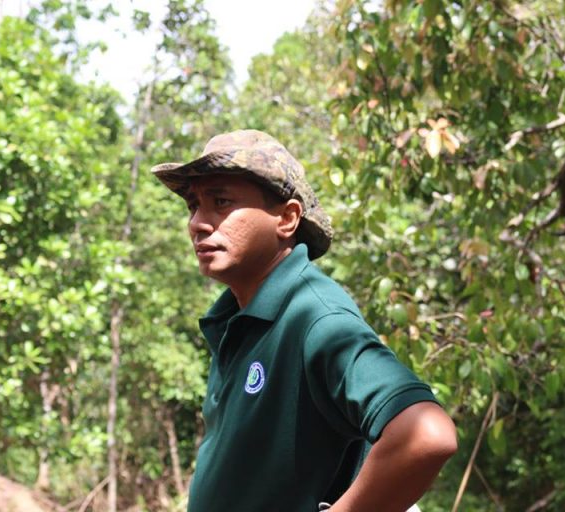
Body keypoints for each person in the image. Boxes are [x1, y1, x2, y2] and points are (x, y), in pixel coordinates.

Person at [151, 130, 457, 512]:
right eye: (193, 205)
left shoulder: (315, 317)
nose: (198, 222)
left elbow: (427, 433)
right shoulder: (237, 320)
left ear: (287, 218)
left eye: (221, 201)